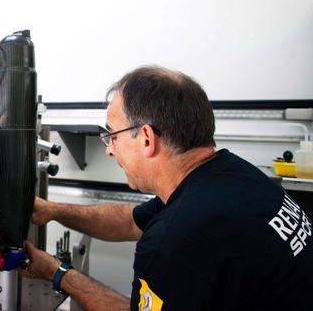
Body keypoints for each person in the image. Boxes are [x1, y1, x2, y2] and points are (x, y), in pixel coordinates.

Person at [20, 66, 313, 310]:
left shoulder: (175, 239)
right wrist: (51, 211)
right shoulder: (231, 174)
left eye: (112, 136)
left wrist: (55, 272)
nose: (110, 150)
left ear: (146, 138)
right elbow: (130, 221)